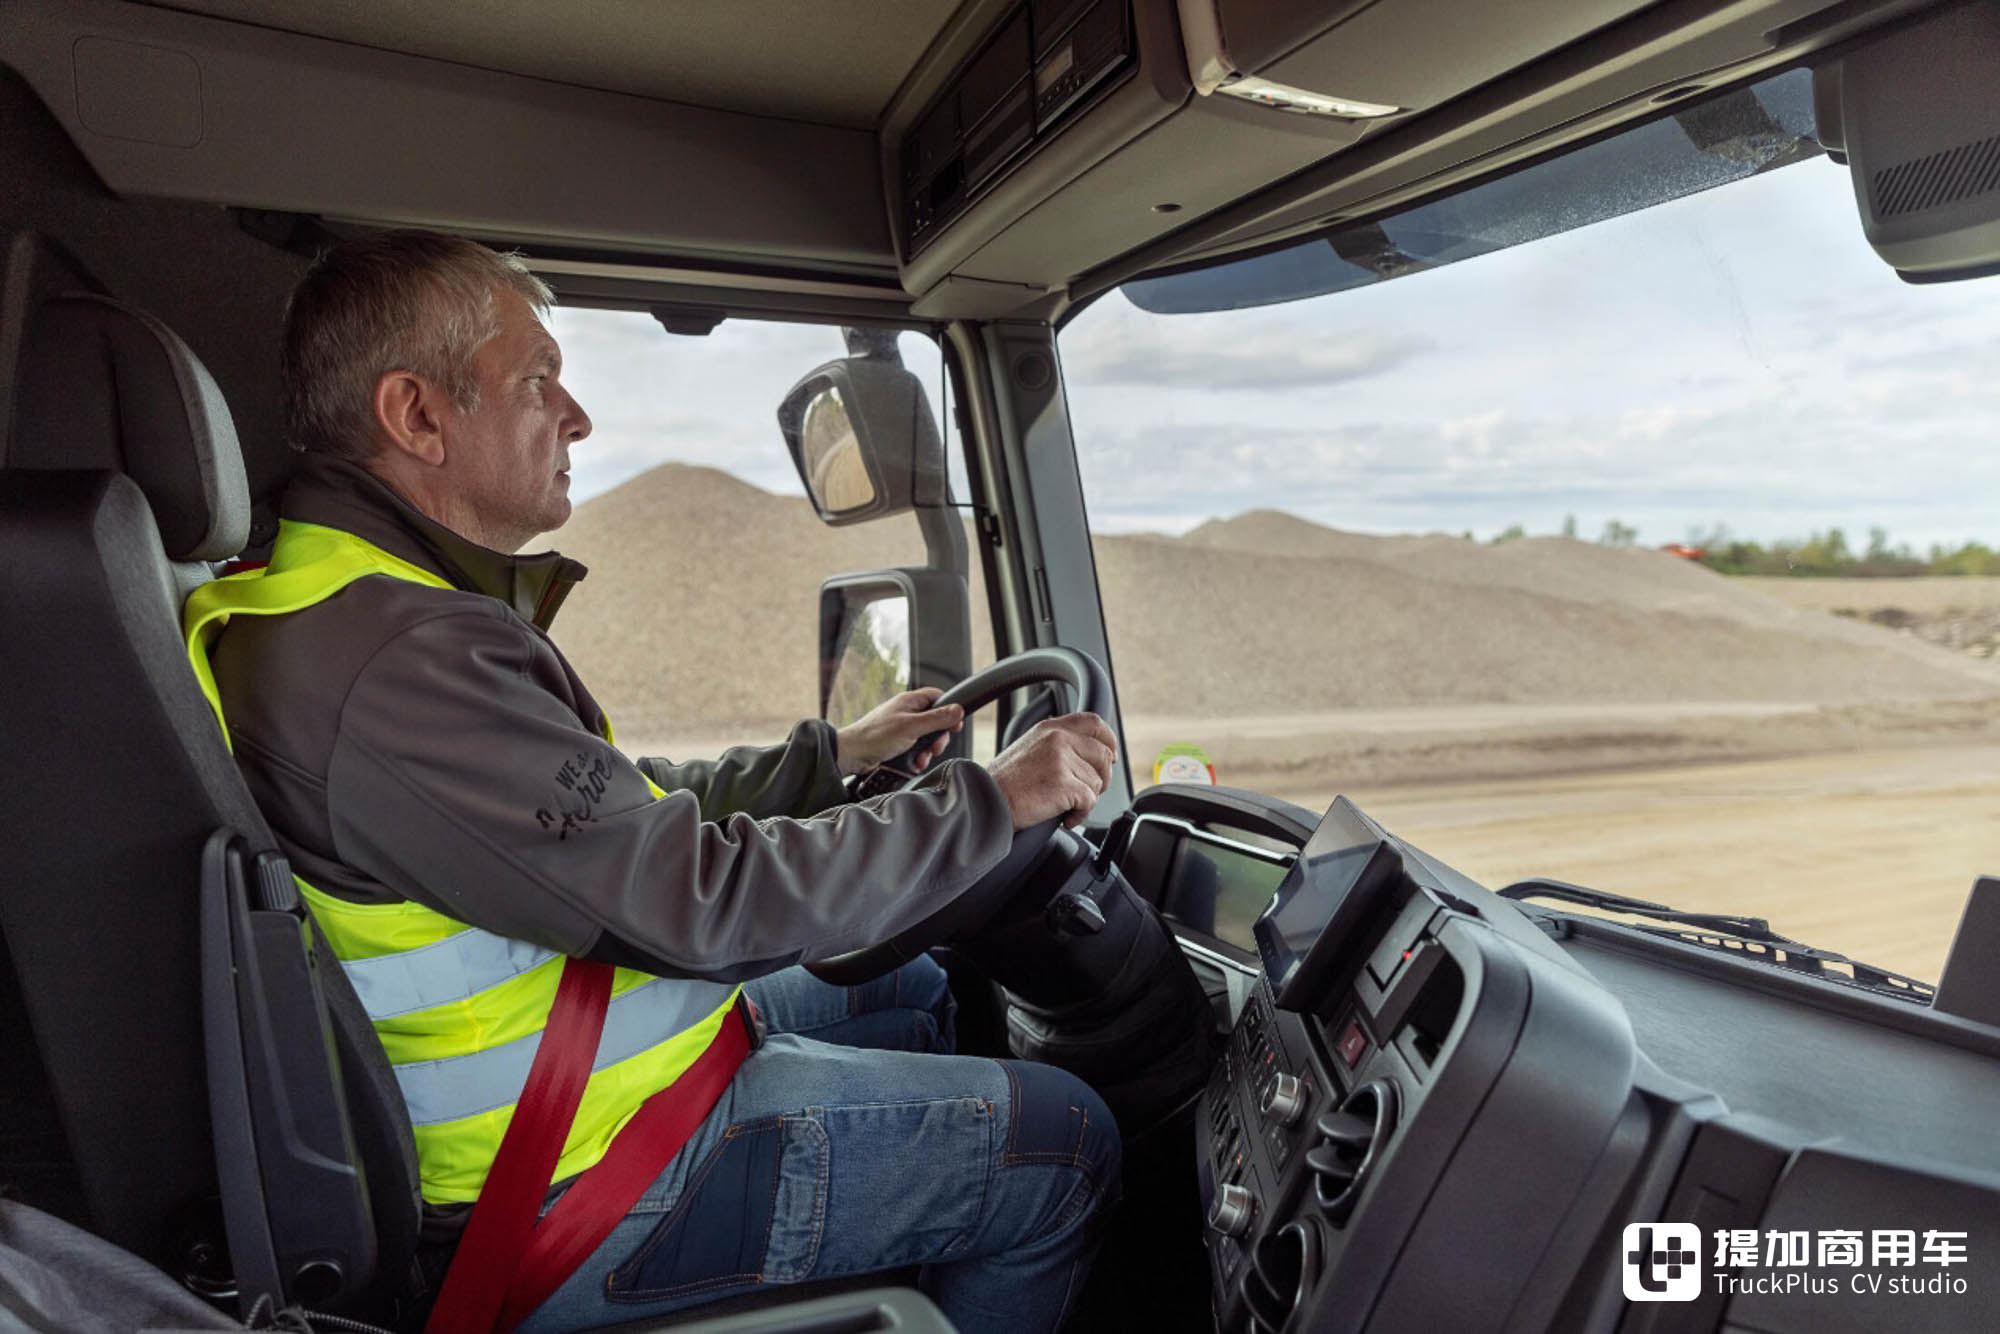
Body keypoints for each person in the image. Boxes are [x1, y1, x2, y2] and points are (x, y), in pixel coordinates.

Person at [185, 230, 1123, 1334]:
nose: (575, 416)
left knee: (908, 983)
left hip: (580, 1081)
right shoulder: (390, 658)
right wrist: (988, 801)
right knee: (1063, 1142)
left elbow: (604, 810)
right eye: (537, 380)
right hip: (564, 1177)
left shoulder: (344, 598)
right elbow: (694, 899)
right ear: (418, 416)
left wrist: (832, 760)